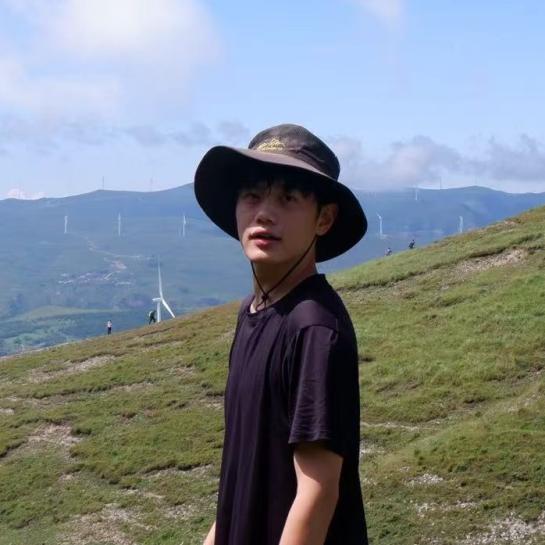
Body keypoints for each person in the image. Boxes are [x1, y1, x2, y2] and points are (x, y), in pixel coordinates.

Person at [195, 123, 369, 545]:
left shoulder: (314, 328)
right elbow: (244, 470)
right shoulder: (252, 313)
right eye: (252, 196)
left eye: (288, 199)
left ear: (324, 219)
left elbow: (317, 491)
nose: (264, 214)